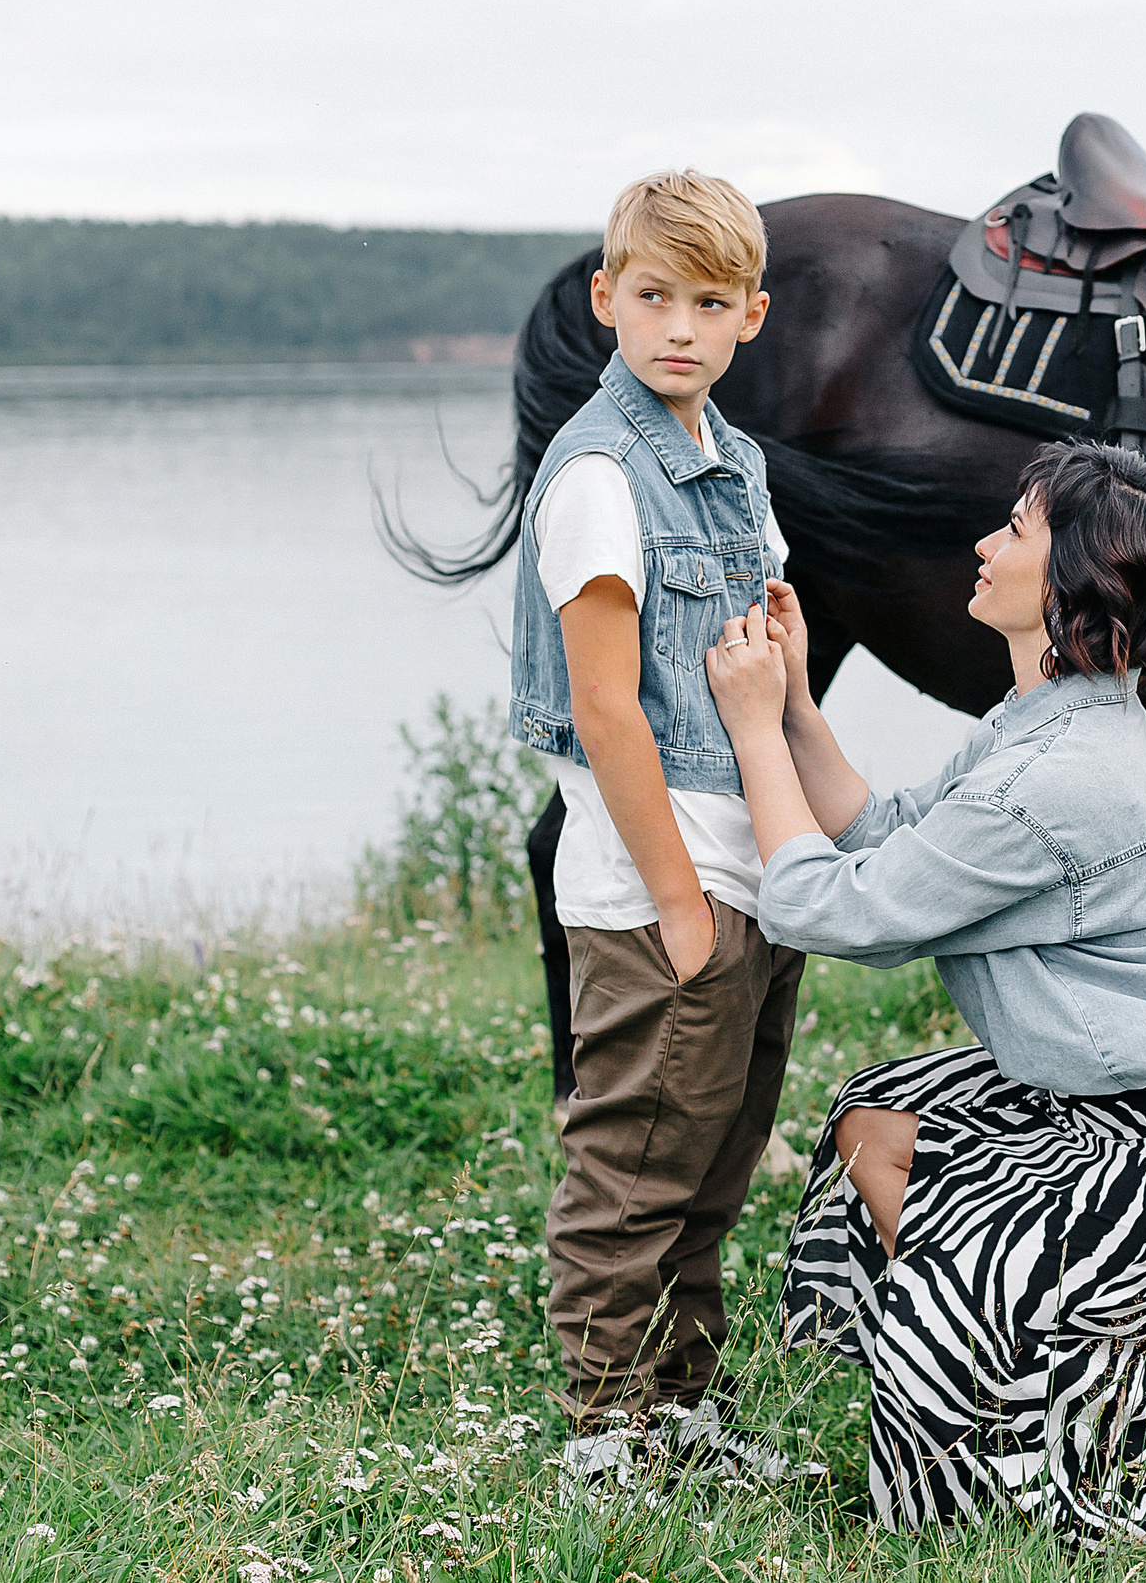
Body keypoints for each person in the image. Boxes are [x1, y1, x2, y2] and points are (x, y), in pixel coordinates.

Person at [704, 438, 1146, 1538]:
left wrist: (749, 725)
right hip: (1141, 1094)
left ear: (1074, 583)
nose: (985, 545)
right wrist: (798, 705)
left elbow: (829, 909)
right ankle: (1031, 1395)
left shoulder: (1059, 777)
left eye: (1017, 531)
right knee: (877, 1119)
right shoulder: (1046, 721)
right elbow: (886, 833)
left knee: (967, 1276)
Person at [505, 168, 802, 1483]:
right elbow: (608, 711)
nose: (679, 324)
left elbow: (762, 677)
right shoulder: (600, 476)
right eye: (653, 295)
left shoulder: (729, 464)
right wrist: (683, 903)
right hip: (654, 887)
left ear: (752, 314)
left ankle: (684, 1416)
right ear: (605, 299)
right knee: (631, 1172)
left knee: (713, 1163)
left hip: (750, 872)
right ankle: (603, 1437)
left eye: (710, 300)